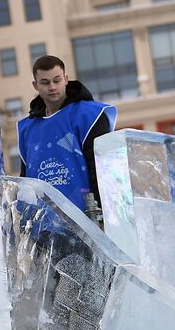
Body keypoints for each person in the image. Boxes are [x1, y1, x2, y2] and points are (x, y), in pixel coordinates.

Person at [17, 55, 115, 217]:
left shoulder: (90, 115)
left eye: (57, 80)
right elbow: (25, 180)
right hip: (43, 225)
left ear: (66, 79)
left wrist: (104, 216)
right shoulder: (27, 128)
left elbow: (102, 169)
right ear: (35, 85)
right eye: (45, 82)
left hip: (87, 219)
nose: (52, 87)